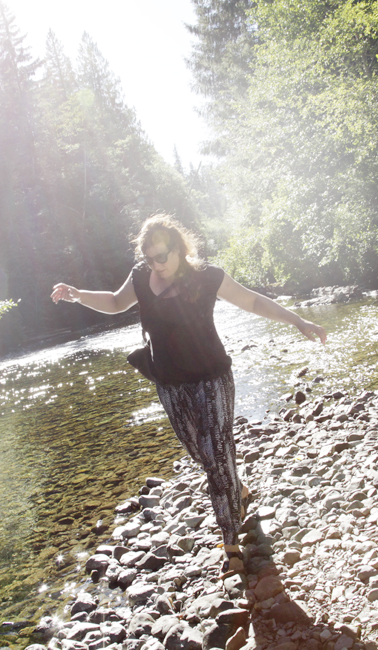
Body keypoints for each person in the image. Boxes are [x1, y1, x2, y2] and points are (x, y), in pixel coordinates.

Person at [51, 215, 326, 577]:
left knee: (217, 457)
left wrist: (299, 321)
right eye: (149, 258)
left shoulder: (207, 276)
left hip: (212, 378)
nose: (156, 265)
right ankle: (237, 488)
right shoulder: (140, 277)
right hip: (169, 383)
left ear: (179, 249)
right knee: (203, 455)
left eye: (162, 256)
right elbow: (117, 302)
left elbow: (252, 301)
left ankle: (231, 544)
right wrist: (78, 295)